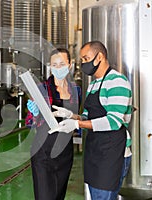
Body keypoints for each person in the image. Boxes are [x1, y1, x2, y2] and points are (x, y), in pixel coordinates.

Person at [52, 41, 132, 200]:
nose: (83, 64)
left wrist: (77, 124)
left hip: (112, 153)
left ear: (100, 57)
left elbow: (113, 122)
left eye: (86, 58)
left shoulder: (117, 81)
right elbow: (88, 116)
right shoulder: (93, 84)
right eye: (81, 60)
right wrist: (71, 116)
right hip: (95, 151)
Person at [25, 48, 81, 200]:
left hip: (65, 152)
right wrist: (35, 113)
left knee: (58, 195)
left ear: (69, 65)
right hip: (43, 152)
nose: (58, 68)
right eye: (54, 65)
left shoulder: (76, 90)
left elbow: (80, 119)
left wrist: (71, 116)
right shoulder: (42, 88)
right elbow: (30, 121)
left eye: (62, 64)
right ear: (49, 66)